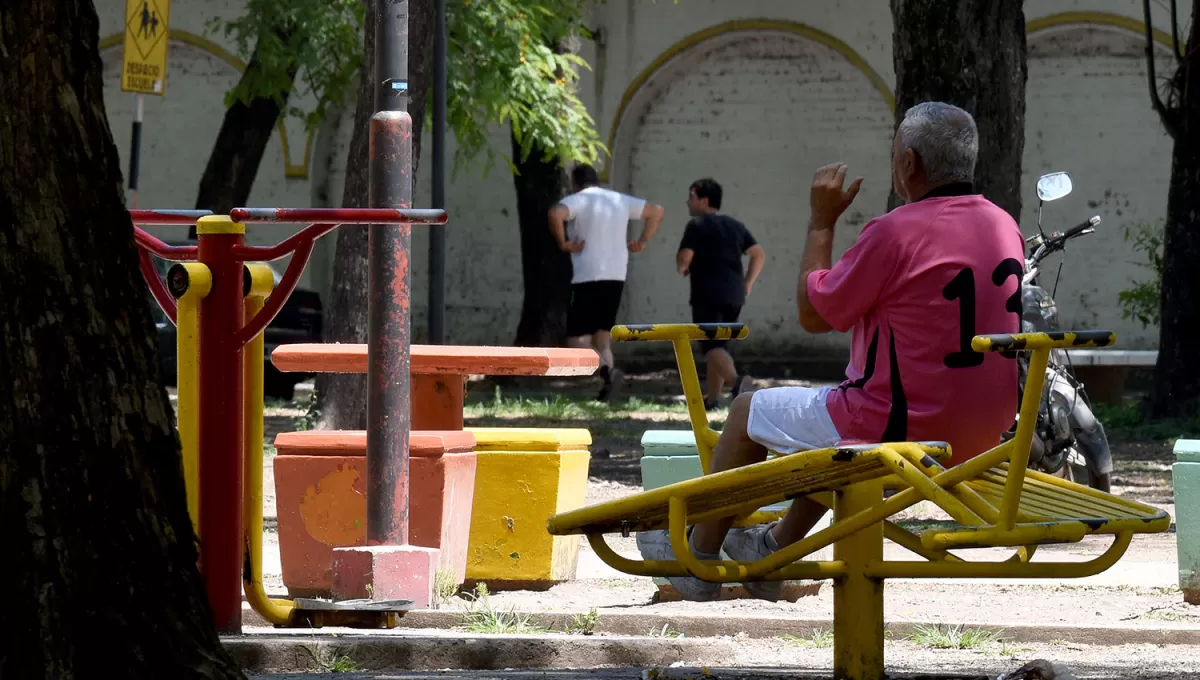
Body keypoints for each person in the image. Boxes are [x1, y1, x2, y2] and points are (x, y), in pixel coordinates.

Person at [636, 101, 1026, 602]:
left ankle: (698, 557)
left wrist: (821, 221)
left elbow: (813, 314)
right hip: (985, 436)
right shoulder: (1002, 225)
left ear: (909, 163)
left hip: (900, 428)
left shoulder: (896, 230)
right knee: (834, 430)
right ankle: (773, 546)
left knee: (747, 411)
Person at [549, 164, 665, 400]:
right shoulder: (618, 200)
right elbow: (656, 211)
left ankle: (607, 372)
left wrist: (563, 243)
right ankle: (607, 392)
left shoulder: (578, 199)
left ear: (576, 183)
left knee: (575, 340)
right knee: (603, 338)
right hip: (616, 275)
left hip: (587, 276)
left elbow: (555, 214)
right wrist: (642, 242)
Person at [677, 178, 766, 409]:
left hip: (707, 294)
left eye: (691, 197)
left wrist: (682, 266)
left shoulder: (696, 225)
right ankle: (713, 399)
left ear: (704, 200)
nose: (688, 202)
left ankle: (738, 386)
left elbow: (685, 258)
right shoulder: (736, 225)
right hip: (734, 295)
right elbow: (758, 254)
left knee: (711, 347)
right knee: (719, 346)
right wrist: (748, 283)